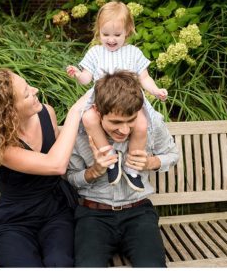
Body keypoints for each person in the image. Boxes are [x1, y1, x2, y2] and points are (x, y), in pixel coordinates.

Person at [0, 69, 90, 267]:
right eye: (27, 93)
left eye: (29, 86)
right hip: (15, 221)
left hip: (56, 212)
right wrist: (75, 112)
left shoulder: (47, 113)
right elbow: (56, 164)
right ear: (9, 111)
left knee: (60, 263)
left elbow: (60, 155)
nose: (35, 90)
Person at [66, 70, 180, 267]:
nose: (125, 130)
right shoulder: (79, 133)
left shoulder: (151, 126)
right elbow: (70, 177)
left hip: (138, 212)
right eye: (116, 122)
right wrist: (93, 172)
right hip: (93, 215)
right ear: (98, 112)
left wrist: (150, 163)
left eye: (131, 120)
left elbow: (172, 155)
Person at [65, 0, 168, 193]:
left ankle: (131, 166)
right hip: (101, 102)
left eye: (117, 35)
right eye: (105, 34)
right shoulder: (95, 52)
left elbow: (144, 77)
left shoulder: (133, 53)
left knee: (141, 124)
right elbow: (87, 78)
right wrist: (78, 75)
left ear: (128, 31)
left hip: (129, 103)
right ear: (98, 31)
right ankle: (110, 157)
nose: (111, 40)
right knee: (88, 118)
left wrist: (156, 91)